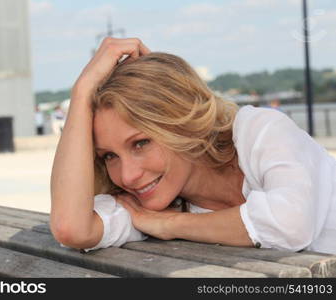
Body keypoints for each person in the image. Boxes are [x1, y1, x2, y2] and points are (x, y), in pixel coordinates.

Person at [50, 37, 336, 255]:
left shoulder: (260, 131)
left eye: (140, 143)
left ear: (182, 122)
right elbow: (71, 228)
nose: (128, 175)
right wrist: (81, 92)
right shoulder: (146, 204)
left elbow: (291, 224)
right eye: (109, 155)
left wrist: (169, 225)